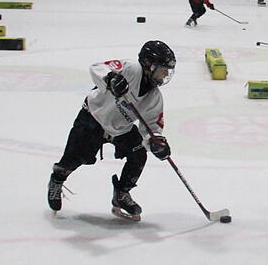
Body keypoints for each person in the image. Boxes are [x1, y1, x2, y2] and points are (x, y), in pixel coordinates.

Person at [47, 41, 176, 220]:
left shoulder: (154, 97)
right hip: (93, 117)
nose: (165, 75)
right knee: (75, 159)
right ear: (148, 65)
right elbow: (97, 68)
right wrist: (110, 79)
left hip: (121, 128)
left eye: (168, 72)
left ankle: (121, 194)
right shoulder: (130, 69)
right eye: (163, 70)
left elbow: (153, 126)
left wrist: (156, 141)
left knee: (138, 154)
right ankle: (57, 179)